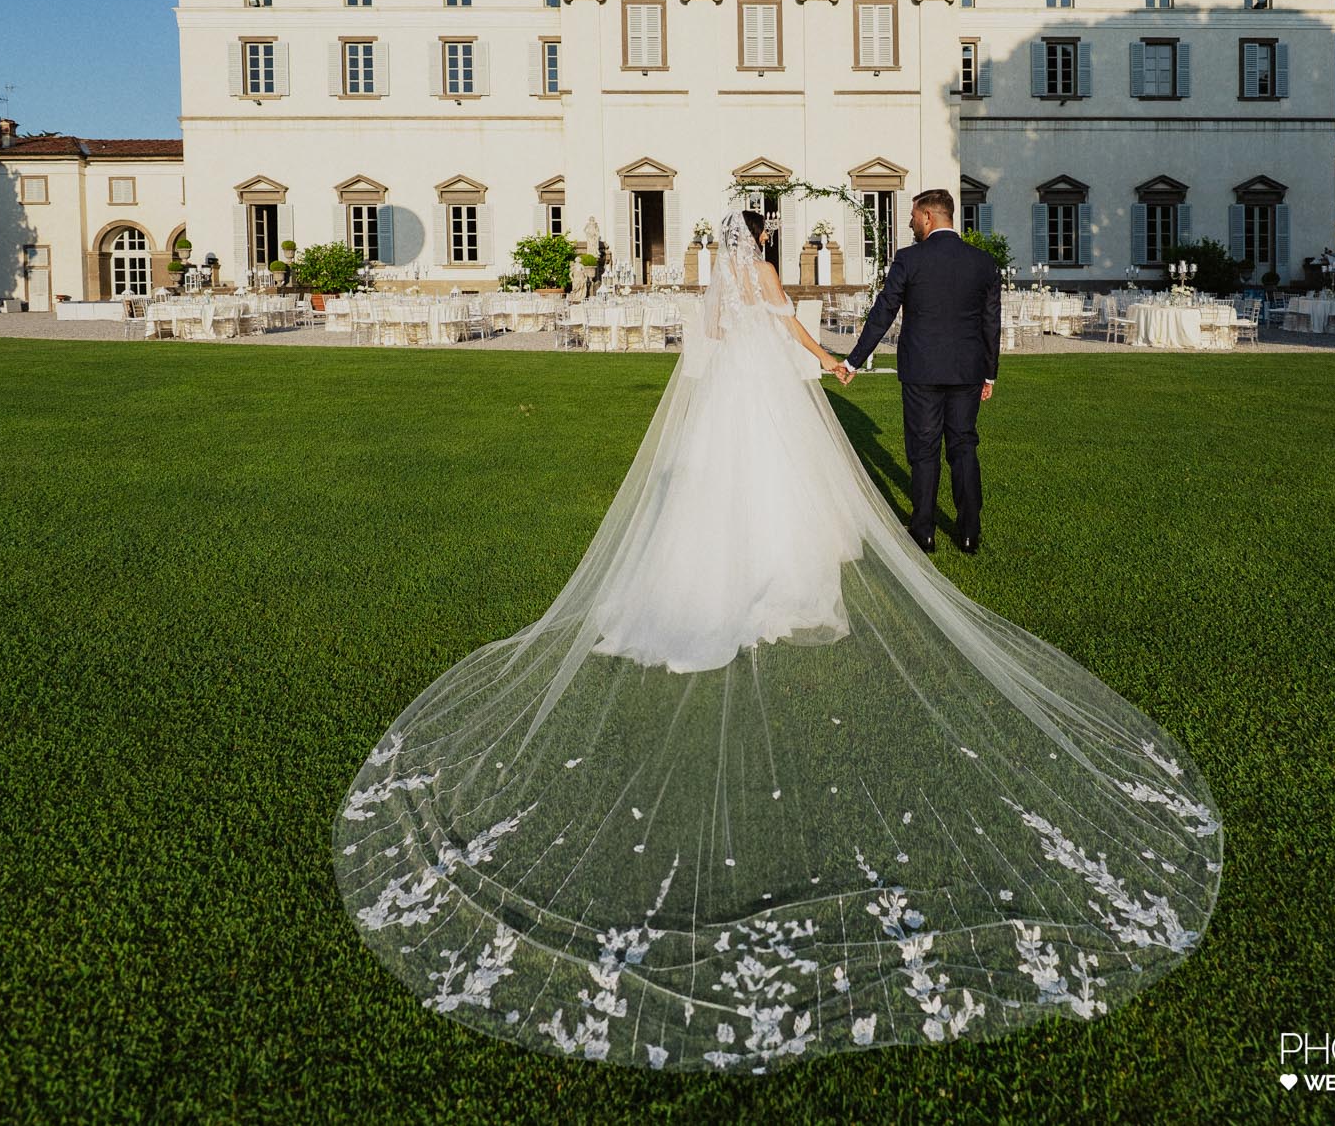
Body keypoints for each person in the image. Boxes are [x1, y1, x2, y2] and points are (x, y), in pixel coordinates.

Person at [333, 206, 1220, 1074]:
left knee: (729, 497)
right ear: (760, 237)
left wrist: (817, 354)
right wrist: (834, 359)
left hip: (729, 404)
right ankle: (907, 541)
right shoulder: (769, 270)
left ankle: (741, 574)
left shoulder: (719, 286)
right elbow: (793, 328)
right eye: (766, 234)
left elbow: (713, 344)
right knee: (864, 479)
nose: (768, 243)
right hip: (794, 398)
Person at [837, 189, 1001, 555]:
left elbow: (883, 313)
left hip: (922, 370)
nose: (910, 222)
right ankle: (970, 532)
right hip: (967, 371)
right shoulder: (983, 263)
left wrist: (853, 360)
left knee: (924, 450)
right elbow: (992, 324)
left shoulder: (909, 259)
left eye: (912, 215)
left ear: (928, 216)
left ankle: (924, 531)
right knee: (964, 447)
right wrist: (989, 374)